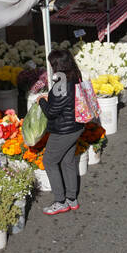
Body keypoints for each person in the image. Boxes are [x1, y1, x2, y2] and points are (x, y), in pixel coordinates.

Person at [36, 49, 86, 213]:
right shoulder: (75, 76)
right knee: (68, 161)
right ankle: (72, 199)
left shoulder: (62, 84)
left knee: (49, 161)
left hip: (63, 130)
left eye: (52, 64)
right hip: (76, 126)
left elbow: (51, 112)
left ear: (57, 65)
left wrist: (42, 101)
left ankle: (60, 201)